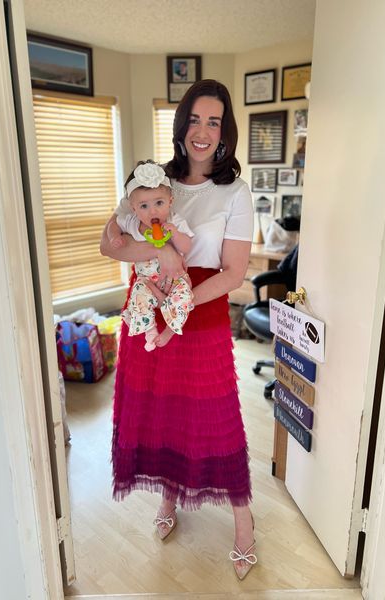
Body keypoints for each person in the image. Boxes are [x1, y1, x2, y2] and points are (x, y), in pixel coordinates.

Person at [100, 79, 256, 580]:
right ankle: (169, 496)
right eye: (194, 119)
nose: (203, 131)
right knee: (165, 410)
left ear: (225, 130)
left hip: (200, 311)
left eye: (214, 121)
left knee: (217, 419)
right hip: (147, 302)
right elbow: (112, 244)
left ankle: (243, 521)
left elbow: (234, 273)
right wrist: (163, 253)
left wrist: (179, 304)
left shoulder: (235, 190)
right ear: (181, 125)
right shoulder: (153, 180)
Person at [107, 160, 194, 350]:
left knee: (185, 296)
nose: (152, 211)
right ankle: (150, 330)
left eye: (159, 203)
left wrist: (176, 234)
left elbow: (186, 246)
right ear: (133, 207)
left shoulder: (174, 220)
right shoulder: (131, 223)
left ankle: (171, 329)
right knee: (138, 298)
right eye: (144, 206)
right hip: (146, 280)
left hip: (175, 278)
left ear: (170, 201)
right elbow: (113, 224)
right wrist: (115, 237)